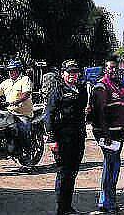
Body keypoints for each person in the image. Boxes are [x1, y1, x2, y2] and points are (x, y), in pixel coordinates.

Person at [89, 56, 124, 214]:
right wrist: (106, 134)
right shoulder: (102, 86)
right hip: (107, 135)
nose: (114, 70)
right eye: (110, 68)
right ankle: (105, 202)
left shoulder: (120, 86)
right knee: (110, 166)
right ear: (105, 69)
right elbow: (99, 113)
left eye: (116, 68)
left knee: (114, 166)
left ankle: (110, 200)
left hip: (119, 135)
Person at [45, 60, 88, 215]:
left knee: (72, 172)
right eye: (69, 72)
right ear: (63, 73)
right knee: (64, 172)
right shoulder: (57, 90)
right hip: (62, 138)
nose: (72, 75)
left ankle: (68, 206)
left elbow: (83, 109)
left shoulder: (82, 89)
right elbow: (49, 114)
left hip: (77, 136)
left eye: (75, 72)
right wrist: (51, 138)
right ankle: (61, 209)